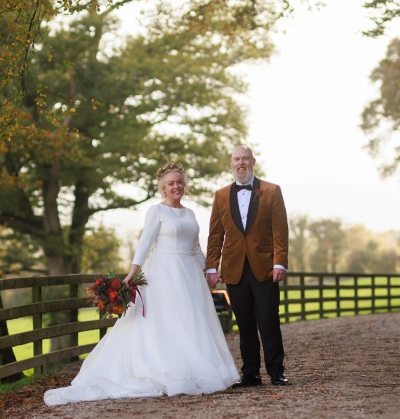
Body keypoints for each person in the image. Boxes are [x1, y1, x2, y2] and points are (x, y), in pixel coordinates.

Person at [44, 162, 239, 406]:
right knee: (167, 321)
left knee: (191, 320)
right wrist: (132, 273)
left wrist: (209, 270)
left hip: (189, 275)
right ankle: (165, 370)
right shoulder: (156, 212)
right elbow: (145, 244)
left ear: (184, 185)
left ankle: (191, 370)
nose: (176, 186)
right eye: (171, 183)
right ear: (163, 188)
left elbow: (196, 247)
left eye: (180, 182)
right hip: (164, 272)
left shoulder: (189, 213)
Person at [206, 145, 290, 387]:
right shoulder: (221, 195)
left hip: (264, 267)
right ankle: (250, 373)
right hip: (234, 268)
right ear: (231, 164)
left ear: (253, 161)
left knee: (268, 320)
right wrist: (212, 266)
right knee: (244, 323)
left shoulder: (272, 191)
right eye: (236, 159)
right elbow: (215, 235)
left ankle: (276, 371)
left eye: (244, 158)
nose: (240, 163)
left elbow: (280, 231)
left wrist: (279, 262)